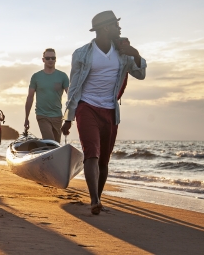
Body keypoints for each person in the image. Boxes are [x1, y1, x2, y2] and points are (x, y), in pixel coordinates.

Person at [62, 11, 146, 215]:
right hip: (86, 107)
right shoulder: (82, 53)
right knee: (92, 153)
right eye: (117, 25)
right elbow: (74, 87)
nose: (119, 29)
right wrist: (69, 117)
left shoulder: (123, 52)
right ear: (106, 28)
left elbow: (140, 74)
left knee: (104, 160)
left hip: (110, 110)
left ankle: (98, 198)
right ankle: (94, 200)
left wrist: (135, 54)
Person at [24, 48, 69, 142]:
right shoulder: (36, 77)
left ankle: (51, 156)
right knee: (50, 142)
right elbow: (30, 97)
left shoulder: (62, 76)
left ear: (56, 59)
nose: (50, 60)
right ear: (43, 60)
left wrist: (68, 118)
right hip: (42, 115)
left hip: (57, 116)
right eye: (48, 58)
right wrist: (26, 118)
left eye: (53, 58)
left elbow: (71, 97)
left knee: (56, 145)